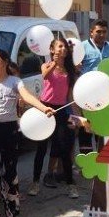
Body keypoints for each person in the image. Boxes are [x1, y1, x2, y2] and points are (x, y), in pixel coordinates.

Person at [0, 48, 54, 217]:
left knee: (10, 169)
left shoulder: (15, 81)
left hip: (10, 130)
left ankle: (12, 211)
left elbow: (27, 96)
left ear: (5, 61)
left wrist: (43, 108)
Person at [30, 38, 79, 199]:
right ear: (51, 50)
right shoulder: (46, 65)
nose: (62, 49)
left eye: (64, 46)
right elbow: (45, 76)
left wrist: (76, 116)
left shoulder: (70, 70)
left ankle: (70, 185)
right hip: (45, 108)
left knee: (64, 148)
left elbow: (70, 96)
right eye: (59, 46)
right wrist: (54, 63)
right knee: (41, 148)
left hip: (61, 109)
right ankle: (35, 183)